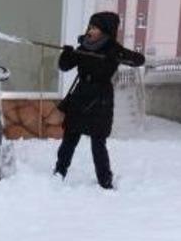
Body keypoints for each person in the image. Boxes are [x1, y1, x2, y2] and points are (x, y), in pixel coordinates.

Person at [54, 11, 145, 189]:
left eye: (94, 27)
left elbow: (139, 60)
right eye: (90, 26)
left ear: (105, 30)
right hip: (80, 97)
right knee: (69, 138)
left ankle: (105, 180)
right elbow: (64, 66)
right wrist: (67, 53)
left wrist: (116, 57)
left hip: (100, 100)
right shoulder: (84, 47)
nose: (90, 30)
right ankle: (59, 172)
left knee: (98, 143)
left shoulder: (113, 48)